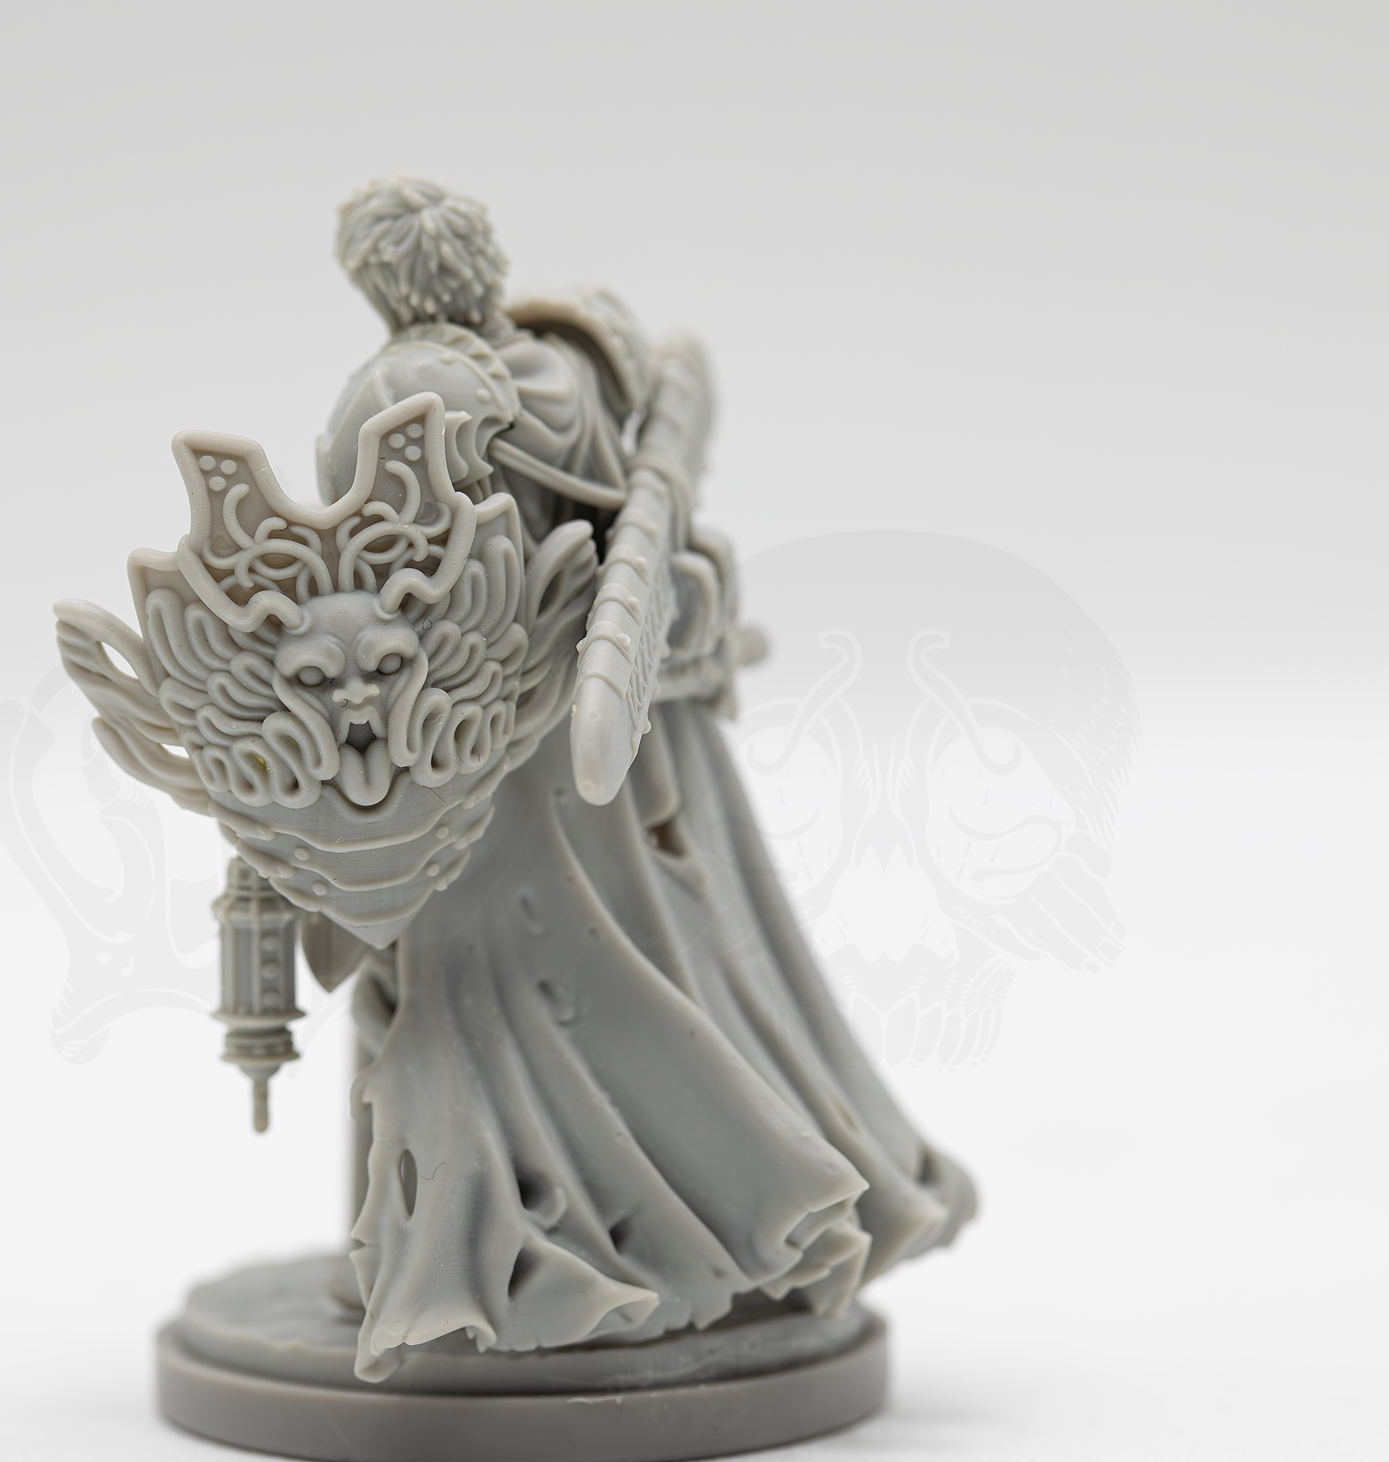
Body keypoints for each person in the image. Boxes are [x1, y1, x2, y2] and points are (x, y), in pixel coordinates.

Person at [59, 178, 974, 1383]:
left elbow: (396, 575)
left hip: (488, 741)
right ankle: (648, 1211)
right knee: (655, 952)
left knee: (498, 996)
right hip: (605, 726)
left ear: (375, 284)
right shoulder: (569, 364)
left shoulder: (399, 391)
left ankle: (508, 1252)